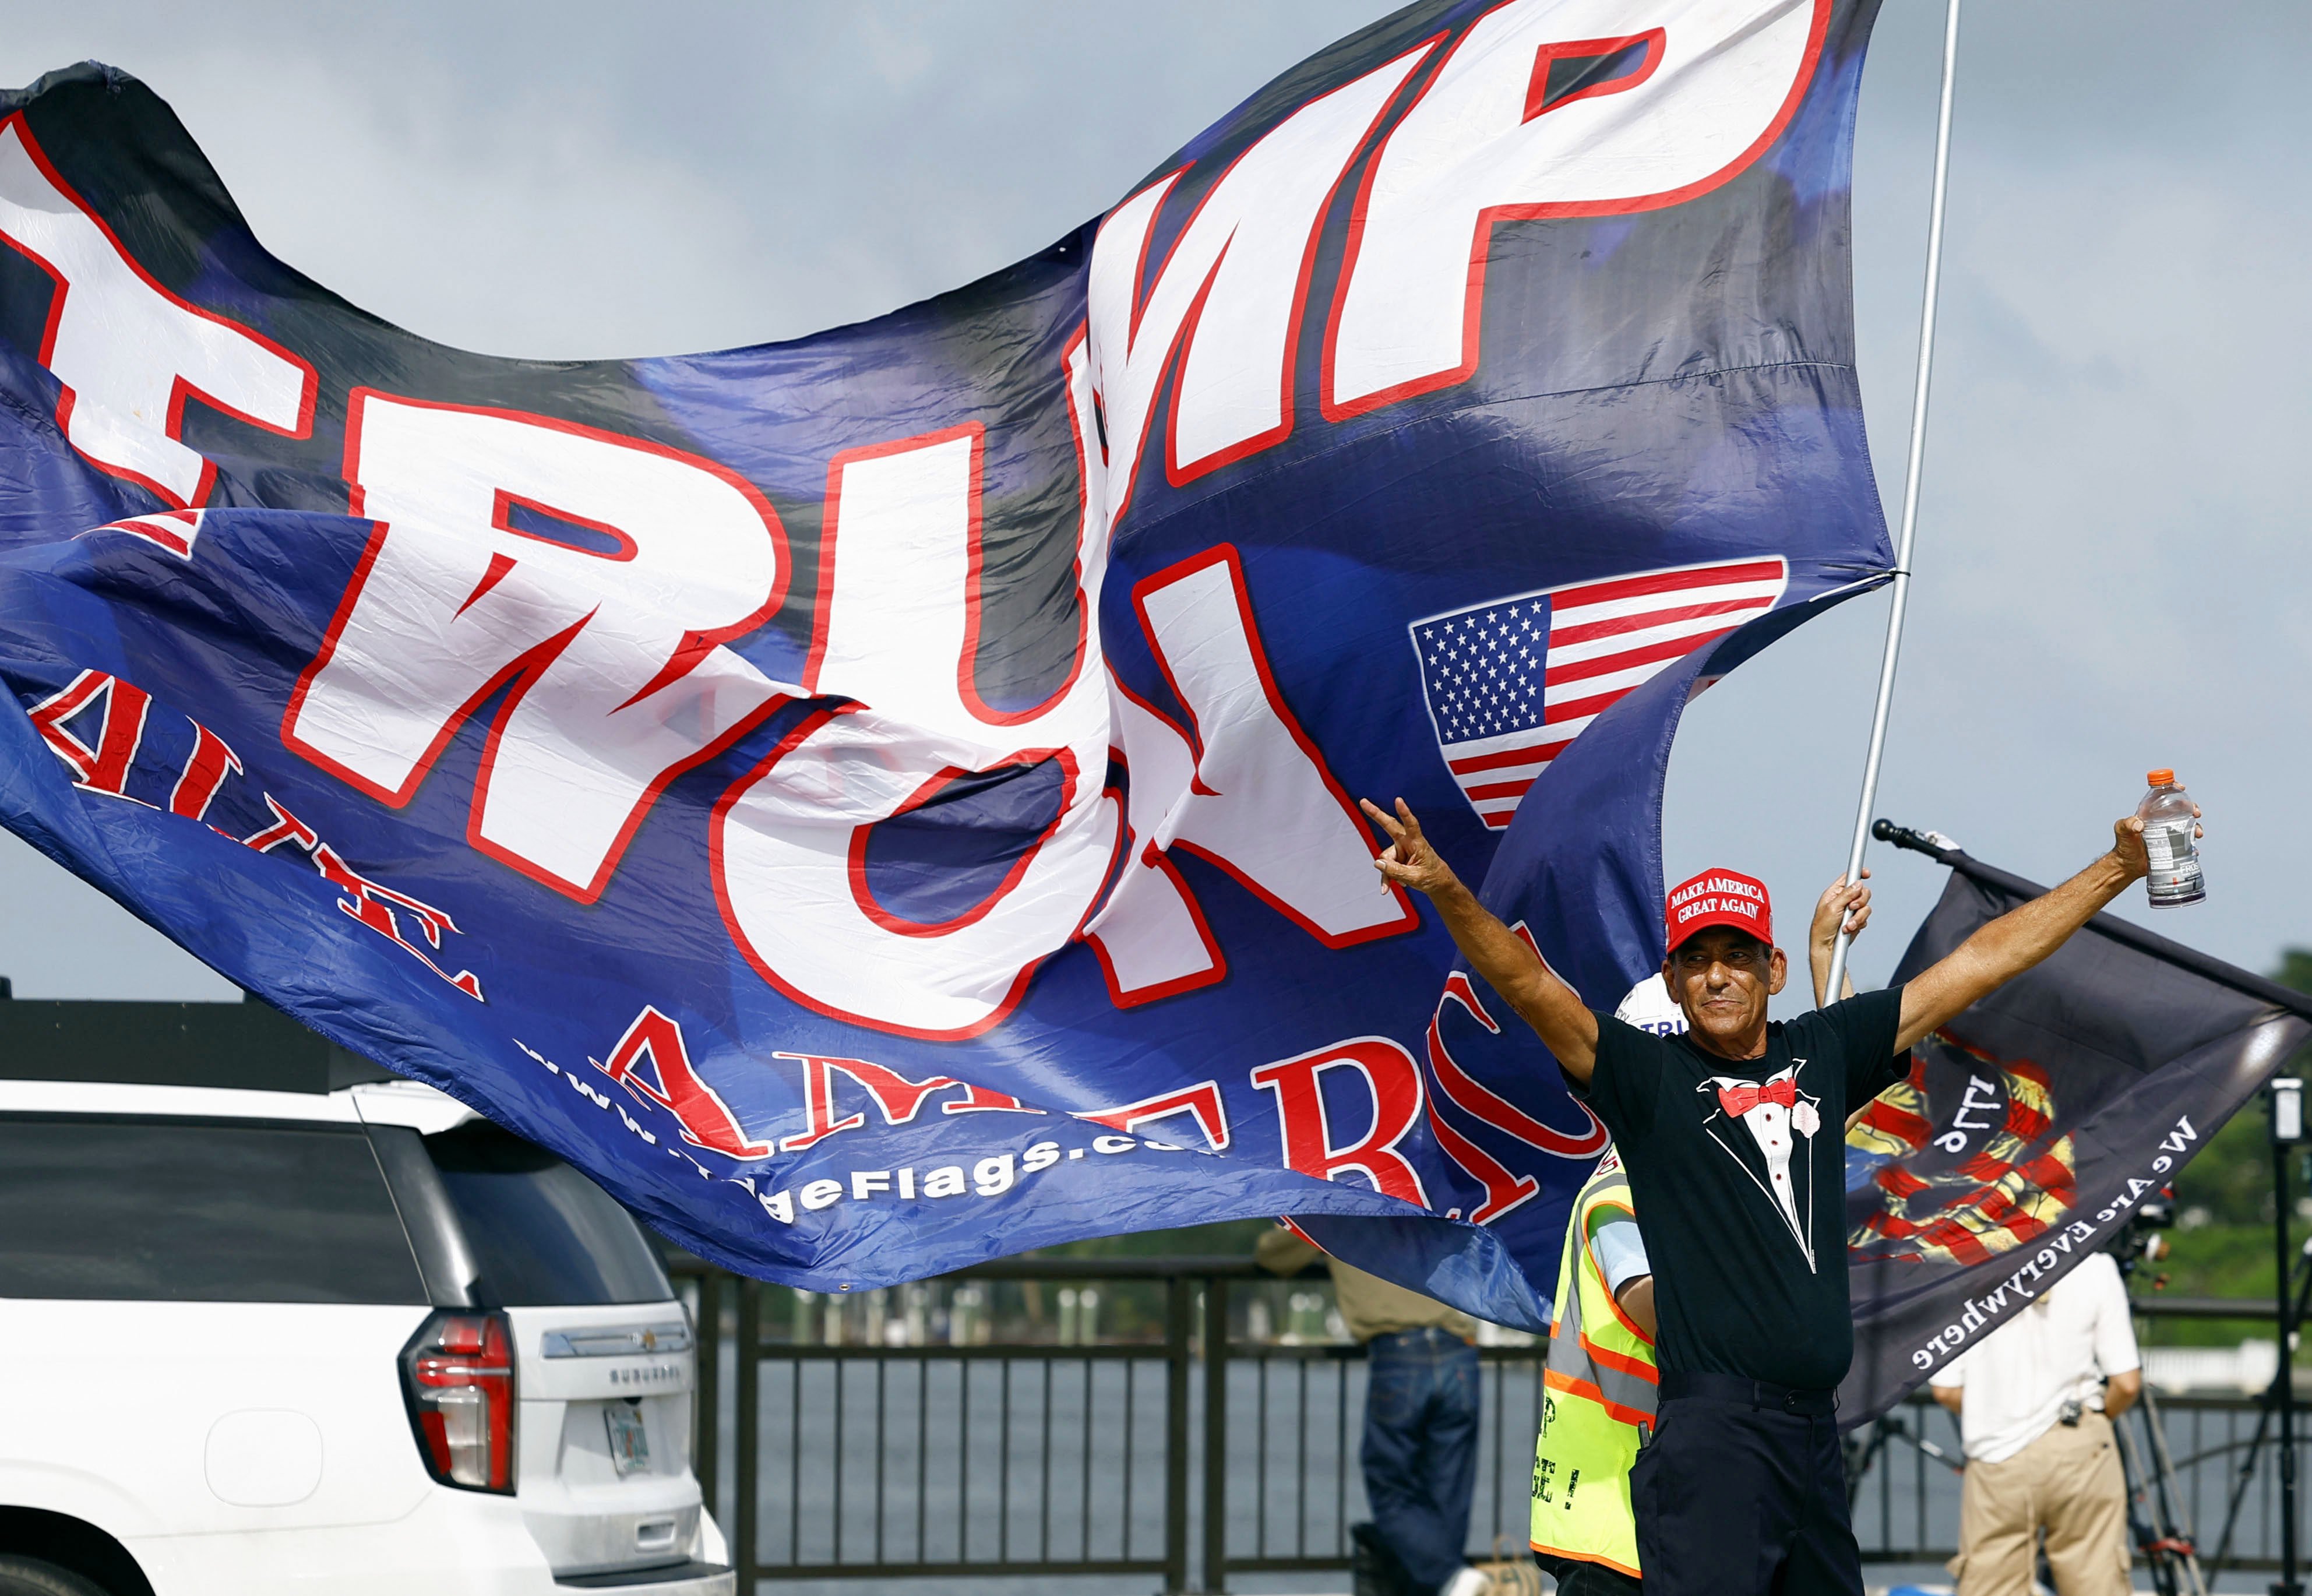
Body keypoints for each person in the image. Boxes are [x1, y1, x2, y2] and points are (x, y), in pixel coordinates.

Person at [1360, 791, 2186, 1596]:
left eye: (1737, 956)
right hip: (1713, 1436)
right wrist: (1446, 889)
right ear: (1674, 978)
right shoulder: (1649, 1080)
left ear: (1774, 967)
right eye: (1698, 960)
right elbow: (1532, 987)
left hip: (1814, 1436)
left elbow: (1978, 964)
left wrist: (2117, 864)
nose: (1718, 976)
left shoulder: (1824, 1050)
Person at [1531, 883, 1881, 1595]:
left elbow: (1830, 1107)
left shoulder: (1697, 1169)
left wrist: (1823, 959)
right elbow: (1664, 1302)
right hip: (1623, 1512)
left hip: (1691, 1495)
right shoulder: (1615, 1195)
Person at [1256, 1222, 1491, 1596]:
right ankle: (1448, 1579)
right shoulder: (1417, 1195)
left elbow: (1273, 1256)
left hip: (1400, 1352)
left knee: (1389, 1483)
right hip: (1458, 1349)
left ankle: (1452, 1576)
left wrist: (1295, 1219)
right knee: (1449, 1486)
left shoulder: (1334, 1209)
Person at [1929, 1248, 2143, 1596]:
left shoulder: (1964, 1272)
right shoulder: (2096, 1266)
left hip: (1998, 1451)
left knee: (1991, 1583)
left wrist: (1993, 1407)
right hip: (2079, 1443)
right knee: (2098, 1580)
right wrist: (2098, 1419)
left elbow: (1946, 1390)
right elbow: (2127, 1383)